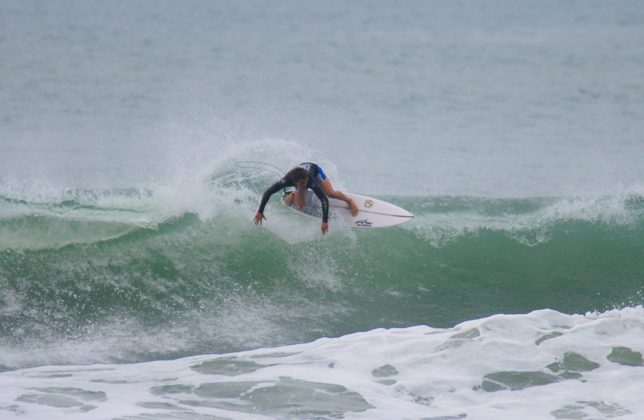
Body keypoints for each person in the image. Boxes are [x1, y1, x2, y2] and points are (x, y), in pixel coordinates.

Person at [253, 162, 359, 234]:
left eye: (306, 182)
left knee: (329, 193)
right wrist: (260, 211)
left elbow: (324, 199)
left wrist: (324, 221)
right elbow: (268, 192)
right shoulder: (286, 181)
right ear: (295, 182)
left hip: (315, 170)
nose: (306, 184)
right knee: (299, 205)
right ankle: (293, 194)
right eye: (302, 183)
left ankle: (349, 200)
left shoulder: (311, 181)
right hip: (298, 175)